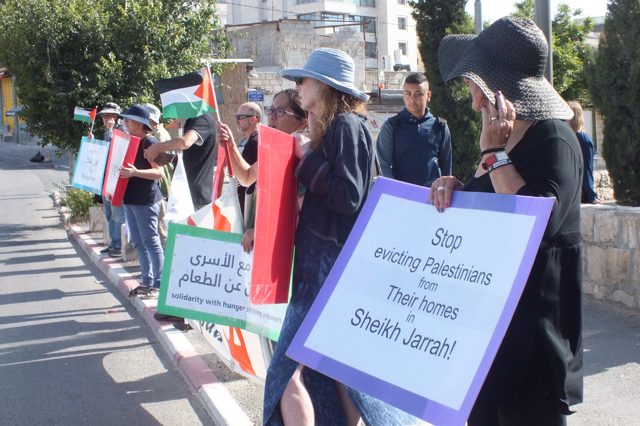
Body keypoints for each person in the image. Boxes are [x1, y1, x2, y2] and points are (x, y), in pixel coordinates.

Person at [434, 17, 583, 425]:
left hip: (533, 345)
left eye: (472, 79)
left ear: (493, 86)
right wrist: (456, 189)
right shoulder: (500, 134)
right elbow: (491, 207)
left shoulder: (554, 139)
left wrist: (494, 156)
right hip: (488, 336)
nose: (470, 93)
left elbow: (533, 224)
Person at [264, 47, 417, 426]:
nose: (298, 87)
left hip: (325, 276)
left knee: (284, 373)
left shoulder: (346, 126)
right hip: (326, 272)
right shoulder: (340, 127)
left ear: (326, 86)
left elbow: (348, 196)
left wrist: (306, 159)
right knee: (339, 374)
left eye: (304, 80)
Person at [217, 90, 308, 252]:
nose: (271, 116)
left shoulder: (304, 155)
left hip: (291, 253)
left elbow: (297, 216)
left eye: (280, 111)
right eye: (271, 110)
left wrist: (261, 232)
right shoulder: (276, 151)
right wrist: (230, 144)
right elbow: (246, 177)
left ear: (302, 122)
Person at [118, 105, 165, 295]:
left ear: (139, 123)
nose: (125, 123)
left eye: (128, 120)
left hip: (146, 200)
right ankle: (146, 280)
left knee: (151, 241)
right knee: (138, 241)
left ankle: (158, 283)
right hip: (130, 199)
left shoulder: (148, 142)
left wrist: (135, 172)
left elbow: (159, 173)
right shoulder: (129, 141)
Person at [376, 72, 452, 186]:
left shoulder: (440, 126)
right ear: (403, 95)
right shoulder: (391, 126)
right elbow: (383, 165)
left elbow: (446, 167)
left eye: (418, 94)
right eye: (408, 93)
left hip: (432, 197)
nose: (412, 99)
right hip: (401, 197)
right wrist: (395, 191)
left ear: (428, 96)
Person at [143, 112, 216, 210]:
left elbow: (185, 142)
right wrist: (170, 158)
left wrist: (156, 147)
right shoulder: (193, 119)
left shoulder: (202, 119)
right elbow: (193, 156)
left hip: (195, 196)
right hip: (186, 192)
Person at [97, 102, 126, 257]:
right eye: (103, 116)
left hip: (116, 180)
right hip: (107, 179)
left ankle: (119, 244)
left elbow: (113, 150)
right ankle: (114, 242)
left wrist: (109, 132)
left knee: (117, 214)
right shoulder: (108, 131)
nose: (105, 118)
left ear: (116, 116)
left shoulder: (122, 130)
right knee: (109, 213)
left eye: (108, 115)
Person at [567, 101, 599, 204]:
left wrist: (591, 196)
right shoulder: (567, 137)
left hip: (580, 195)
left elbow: (586, 169)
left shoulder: (583, 139)